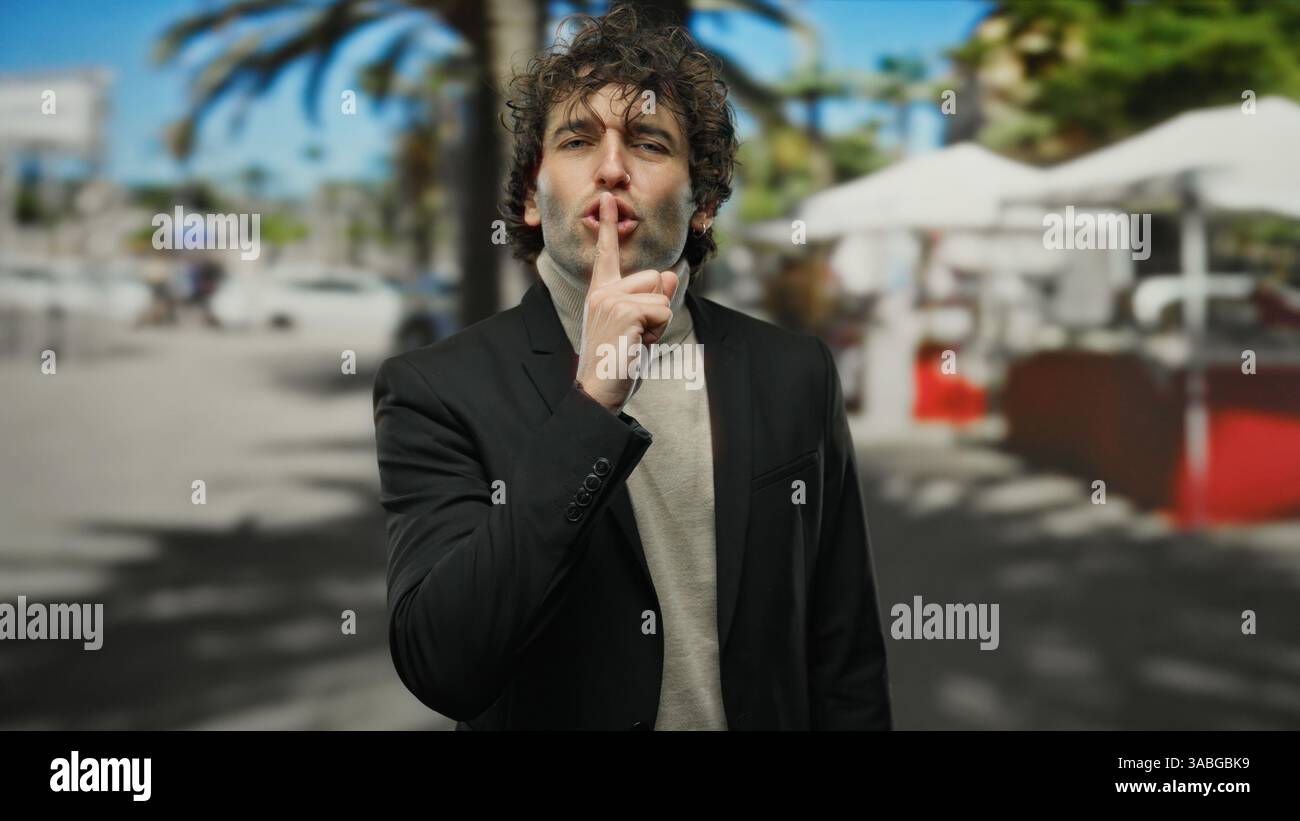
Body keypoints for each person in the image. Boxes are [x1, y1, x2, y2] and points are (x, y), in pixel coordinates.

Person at [372, 4, 891, 730]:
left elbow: (845, 651)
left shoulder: (796, 373)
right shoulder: (435, 389)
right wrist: (592, 401)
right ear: (530, 198)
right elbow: (443, 662)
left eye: (648, 143)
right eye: (577, 140)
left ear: (703, 204)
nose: (611, 168)